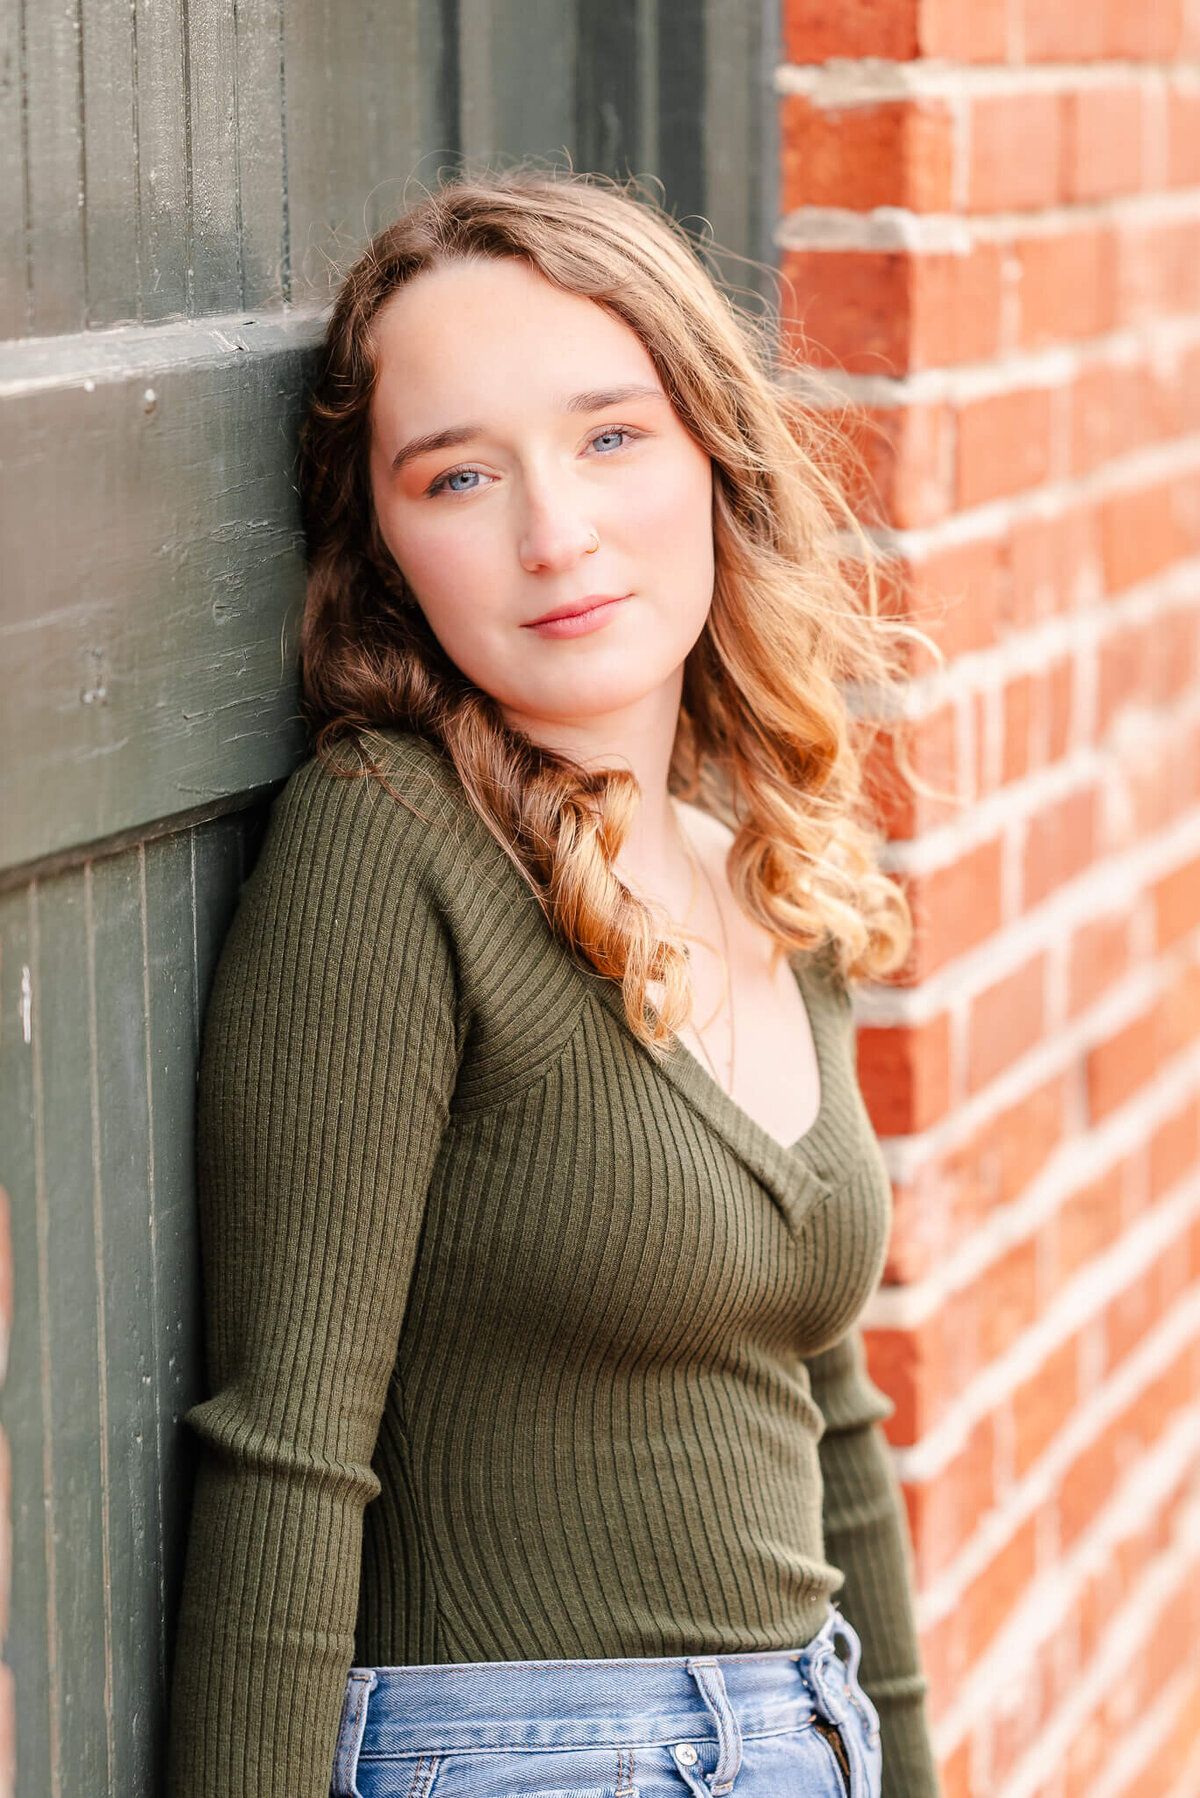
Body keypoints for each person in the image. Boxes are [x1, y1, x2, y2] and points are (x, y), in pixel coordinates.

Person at [165, 164, 941, 1798]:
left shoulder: (761, 864)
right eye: (457, 476)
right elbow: (290, 1451)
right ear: (382, 544)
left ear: (712, 451)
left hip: (812, 1734)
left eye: (609, 435)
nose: (554, 533)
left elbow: (836, 1425)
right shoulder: (388, 845)